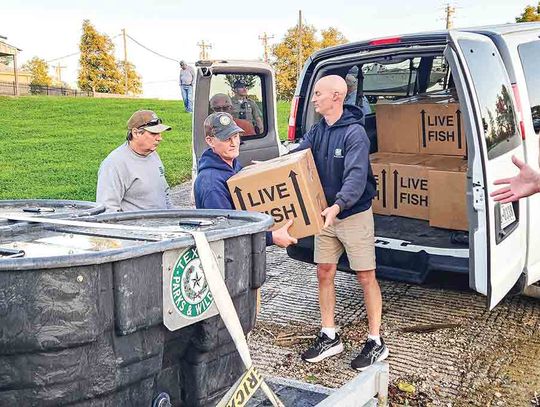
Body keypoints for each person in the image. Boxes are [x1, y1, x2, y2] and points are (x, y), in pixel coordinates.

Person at [296, 75, 388, 371]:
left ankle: (375, 341)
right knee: (324, 272)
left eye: (319, 93)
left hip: (352, 214)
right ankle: (329, 335)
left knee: (365, 276)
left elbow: (356, 177)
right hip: (326, 214)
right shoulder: (318, 130)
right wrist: (270, 166)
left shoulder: (355, 134)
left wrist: (338, 205)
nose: (314, 99)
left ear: (336, 96)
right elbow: (298, 154)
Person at [194, 112, 296, 248]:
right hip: (226, 257)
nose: (234, 143)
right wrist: (271, 237)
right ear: (210, 141)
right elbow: (226, 230)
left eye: (235, 136)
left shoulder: (233, 165)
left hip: (243, 253)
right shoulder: (211, 183)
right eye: (226, 139)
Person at [96, 110, 173, 212]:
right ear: (136, 133)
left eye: (159, 133)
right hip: (136, 227)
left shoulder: (153, 155)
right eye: (153, 133)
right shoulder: (114, 164)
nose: (159, 138)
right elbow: (107, 209)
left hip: (161, 224)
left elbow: (164, 193)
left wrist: (173, 217)